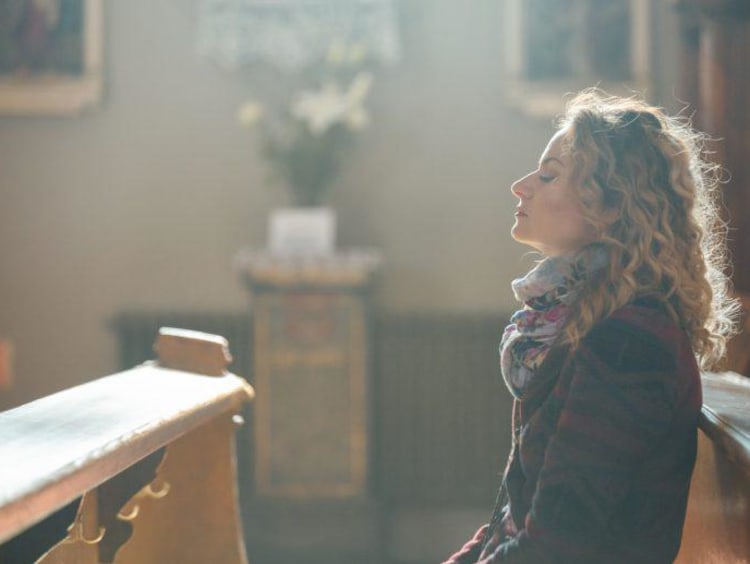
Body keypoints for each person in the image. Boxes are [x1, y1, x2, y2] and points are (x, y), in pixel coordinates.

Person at [443, 89, 738, 563]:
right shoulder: (586, 321)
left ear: (612, 203)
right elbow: (514, 517)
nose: (520, 186)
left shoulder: (631, 342)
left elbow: (558, 544)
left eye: (548, 175)